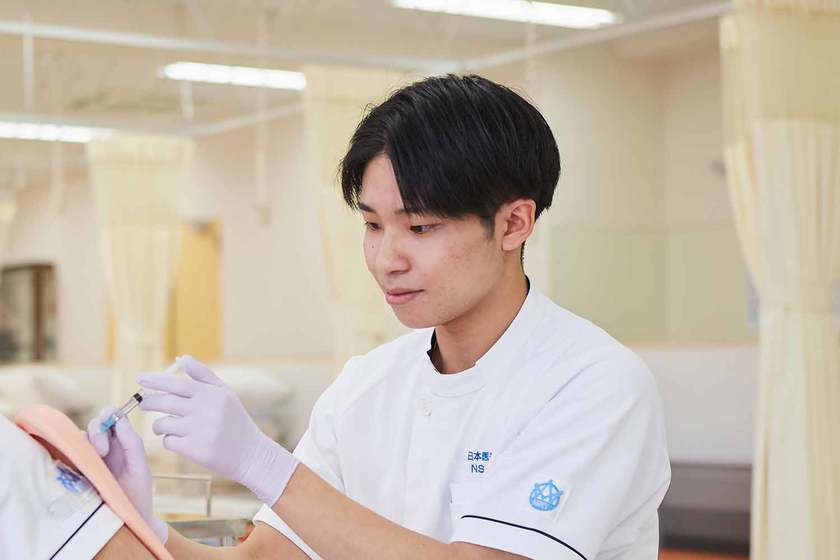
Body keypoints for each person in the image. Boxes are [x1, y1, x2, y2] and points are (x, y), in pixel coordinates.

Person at [90, 74, 671, 560]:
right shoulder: (366, 385)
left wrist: (260, 463)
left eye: (420, 227)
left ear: (514, 223)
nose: (385, 259)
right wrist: (138, 522)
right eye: (372, 225)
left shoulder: (592, 383)